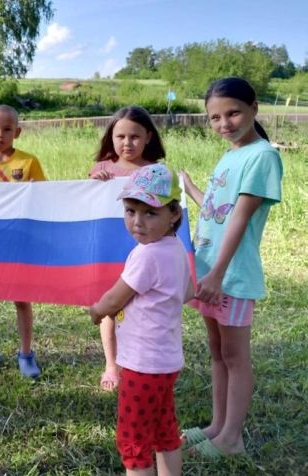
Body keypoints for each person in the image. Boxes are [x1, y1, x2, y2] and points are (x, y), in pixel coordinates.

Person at [180, 77, 283, 459]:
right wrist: (191, 190)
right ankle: (216, 425)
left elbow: (240, 219)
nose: (224, 123)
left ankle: (231, 438)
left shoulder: (263, 156)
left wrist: (218, 274)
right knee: (217, 352)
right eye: (215, 118)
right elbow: (218, 209)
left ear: (254, 107)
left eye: (233, 113)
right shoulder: (232, 154)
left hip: (231, 276)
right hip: (209, 271)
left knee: (236, 357)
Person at [89, 163, 194, 476]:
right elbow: (188, 291)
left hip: (142, 365)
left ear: (174, 214)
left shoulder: (147, 255)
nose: (138, 222)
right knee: (165, 431)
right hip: (166, 361)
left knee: (133, 440)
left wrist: (97, 311)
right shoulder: (175, 248)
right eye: (131, 210)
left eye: (150, 213)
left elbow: (114, 298)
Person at [89, 106, 167, 392]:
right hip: (108, 250)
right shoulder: (102, 169)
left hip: (144, 253)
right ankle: (111, 363)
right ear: (111, 137)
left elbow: (167, 211)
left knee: (138, 309)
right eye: (120, 136)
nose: (127, 143)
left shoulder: (156, 172)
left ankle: (136, 360)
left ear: (148, 136)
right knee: (110, 306)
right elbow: (87, 209)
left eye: (134, 136)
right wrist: (94, 185)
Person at [0, 105, 45, 378]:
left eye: (6, 129)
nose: (0, 134)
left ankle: (26, 353)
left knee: (21, 299)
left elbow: (43, 196)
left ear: (18, 131)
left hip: (21, 242)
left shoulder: (28, 163)